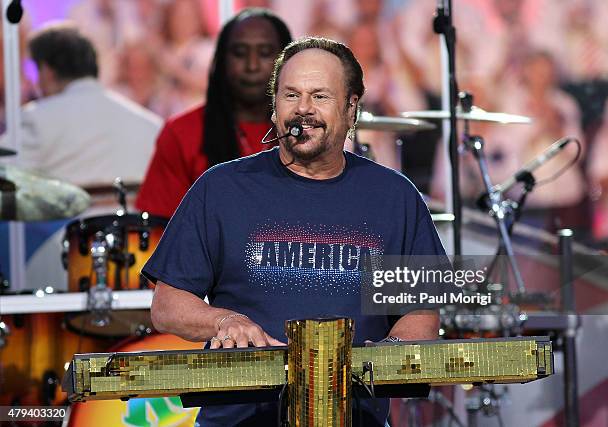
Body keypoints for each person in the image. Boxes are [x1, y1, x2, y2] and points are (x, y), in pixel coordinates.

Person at [144, 37, 445, 426]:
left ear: (351, 108)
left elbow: (422, 313)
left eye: (319, 96)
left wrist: (384, 356)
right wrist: (223, 322)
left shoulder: (396, 195)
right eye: (291, 95)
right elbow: (166, 306)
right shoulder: (220, 188)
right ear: (274, 108)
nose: (303, 109)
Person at [135, 8, 292, 219]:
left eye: (264, 53)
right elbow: (157, 229)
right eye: (239, 53)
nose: (252, 65)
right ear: (221, 62)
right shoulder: (182, 133)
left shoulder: (309, 131)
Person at [5, 22, 162, 189]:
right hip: (138, 214)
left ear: (46, 71)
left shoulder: (36, 120)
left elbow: (5, 172)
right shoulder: (152, 127)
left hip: (71, 214)